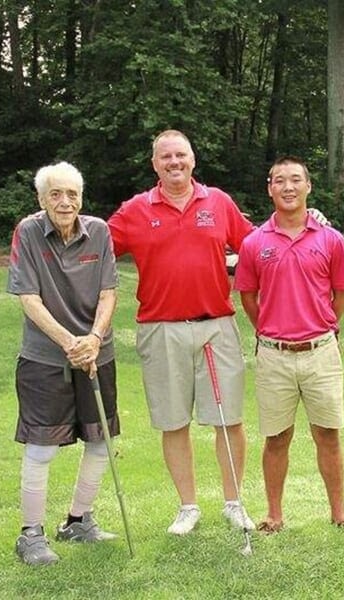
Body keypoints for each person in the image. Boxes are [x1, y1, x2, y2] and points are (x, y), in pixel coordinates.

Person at [106, 130, 256, 535]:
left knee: (229, 419)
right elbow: (95, 244)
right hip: (161, 329)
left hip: (216, 328)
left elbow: (256, 242)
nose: (174, 162)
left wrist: (303, 221)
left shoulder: (218, 202)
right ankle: (187, 507)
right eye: (166, 156)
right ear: (154, 164)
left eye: (181, 155)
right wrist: (50, 222)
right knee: (173, 422)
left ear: (193, 159)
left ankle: (234, 502)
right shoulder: (136, 209)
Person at [233, 156, 344, 533]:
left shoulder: (331, 239)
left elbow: (342, 294)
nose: (288, 187)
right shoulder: (255, 242)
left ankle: (339, 513)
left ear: (308, 187)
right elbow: (249, 298)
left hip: (321, 353)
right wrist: (272, 331)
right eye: (279, 181)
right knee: (276, 438)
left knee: (328, 435)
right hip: (274, 357)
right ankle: (274, 515)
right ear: (269, 188)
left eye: (295, 180)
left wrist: (321, 327)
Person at [7, 161, 120, 565]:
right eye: (55, 193)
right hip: (45, 358)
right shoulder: (28, 232)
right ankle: (31, 535)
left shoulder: (100, 232)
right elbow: (29, 299)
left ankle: (78, 520)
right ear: (41, 199)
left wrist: (92, 339)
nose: (65, 201)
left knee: (100, 440)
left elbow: (109, 292)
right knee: (42, 447)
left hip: (96, 353)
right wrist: (69, 342)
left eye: (72, 193)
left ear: (82, 198)